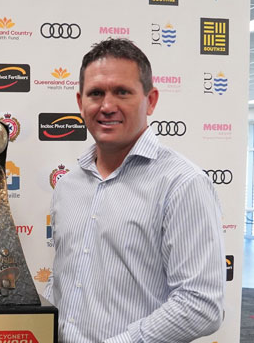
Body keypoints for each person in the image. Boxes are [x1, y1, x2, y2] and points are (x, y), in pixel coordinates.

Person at [44, 38, 224, 342]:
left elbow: (201, 304)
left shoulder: (182, 184)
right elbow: (65, 282)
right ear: (80, 102)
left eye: (122, 92)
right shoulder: (68, 186)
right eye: (96, 93)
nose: (107, 106)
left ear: (150, 100)